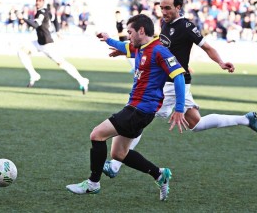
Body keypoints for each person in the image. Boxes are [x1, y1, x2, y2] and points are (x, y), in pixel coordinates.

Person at [103, 0, 257, 179]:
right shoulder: (164, 23)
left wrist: (221, 62)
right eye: (162, 8)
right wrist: (125, 50)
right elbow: (153, 47)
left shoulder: (186, 27)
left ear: (178, 7)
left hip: (173, 82)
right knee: (196, 123)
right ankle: (246, 119)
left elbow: (207, 47)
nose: (164, 12)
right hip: (171, 81)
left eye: (168, 8)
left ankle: (115, 164)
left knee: (142, 112)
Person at [66, 14, 188, 201]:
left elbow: (179, 75)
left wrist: (179, 108)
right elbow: (124, 46)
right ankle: (159, 174)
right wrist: (108, 39)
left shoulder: (159, 50)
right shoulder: (139, 47)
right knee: (118, 153)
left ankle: (93, 184)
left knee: (97, 135)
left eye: (130, 32)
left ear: (141, 31)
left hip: (140, 110)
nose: (128, 36)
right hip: (137, 108)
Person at [16, 0, 89, 94]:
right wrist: (58, 31)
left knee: (62, 64)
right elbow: (55, 20)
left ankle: (82, 80)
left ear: (43, 2)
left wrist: (23, 18)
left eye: (40, 1)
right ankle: (33, 74)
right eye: (37, 0)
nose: (37, 2)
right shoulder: (47, 11)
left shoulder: (42, 12)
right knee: (21, 50)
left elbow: (36, 25)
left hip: (47, 45)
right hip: (39, 43)